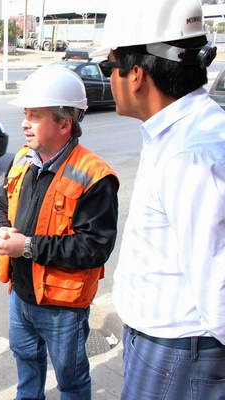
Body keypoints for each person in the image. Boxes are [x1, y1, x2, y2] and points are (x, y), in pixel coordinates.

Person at [99, 0, 225, 398]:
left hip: (180, 352)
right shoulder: (177, 131)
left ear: (135, 75)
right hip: (164, 344)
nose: (109, 80)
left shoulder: (191, 153)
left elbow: (218, 284)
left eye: (109, 67)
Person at [0, 66, 119, 400]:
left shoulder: (95, 176)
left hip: (63, 306)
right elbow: (0, 202)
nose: (24, 123)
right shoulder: (22, 159)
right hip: (21, 294)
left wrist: (27, 246)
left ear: (64, 124)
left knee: (71, 380)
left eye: (35, 116)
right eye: (25, 114)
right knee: (26, 366)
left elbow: (94, 248)